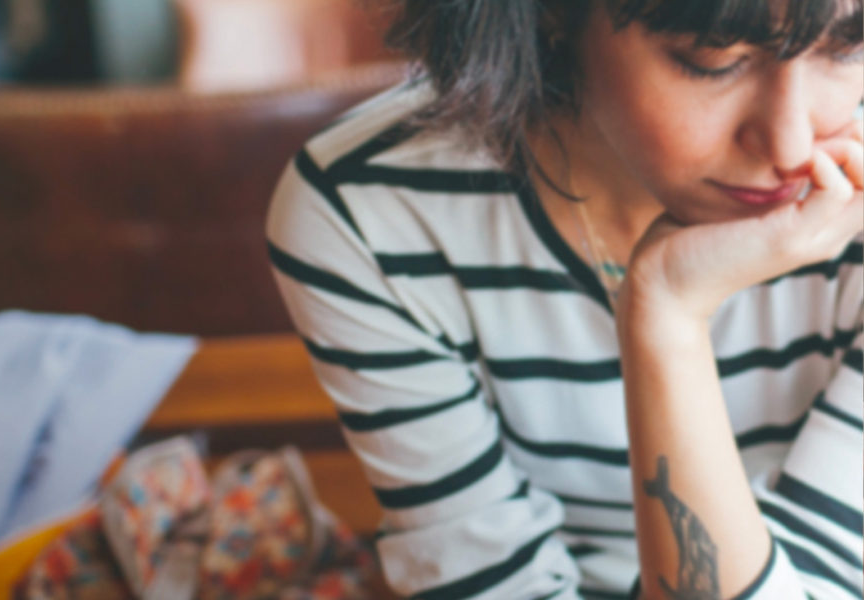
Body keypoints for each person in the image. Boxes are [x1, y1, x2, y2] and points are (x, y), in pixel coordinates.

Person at [266, 1, 864, 598]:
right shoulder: (370, 209)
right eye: (711, 60)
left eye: (848, 48)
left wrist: (670, 317)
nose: (789, 145)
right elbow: (489, 582)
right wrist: (664, 315)